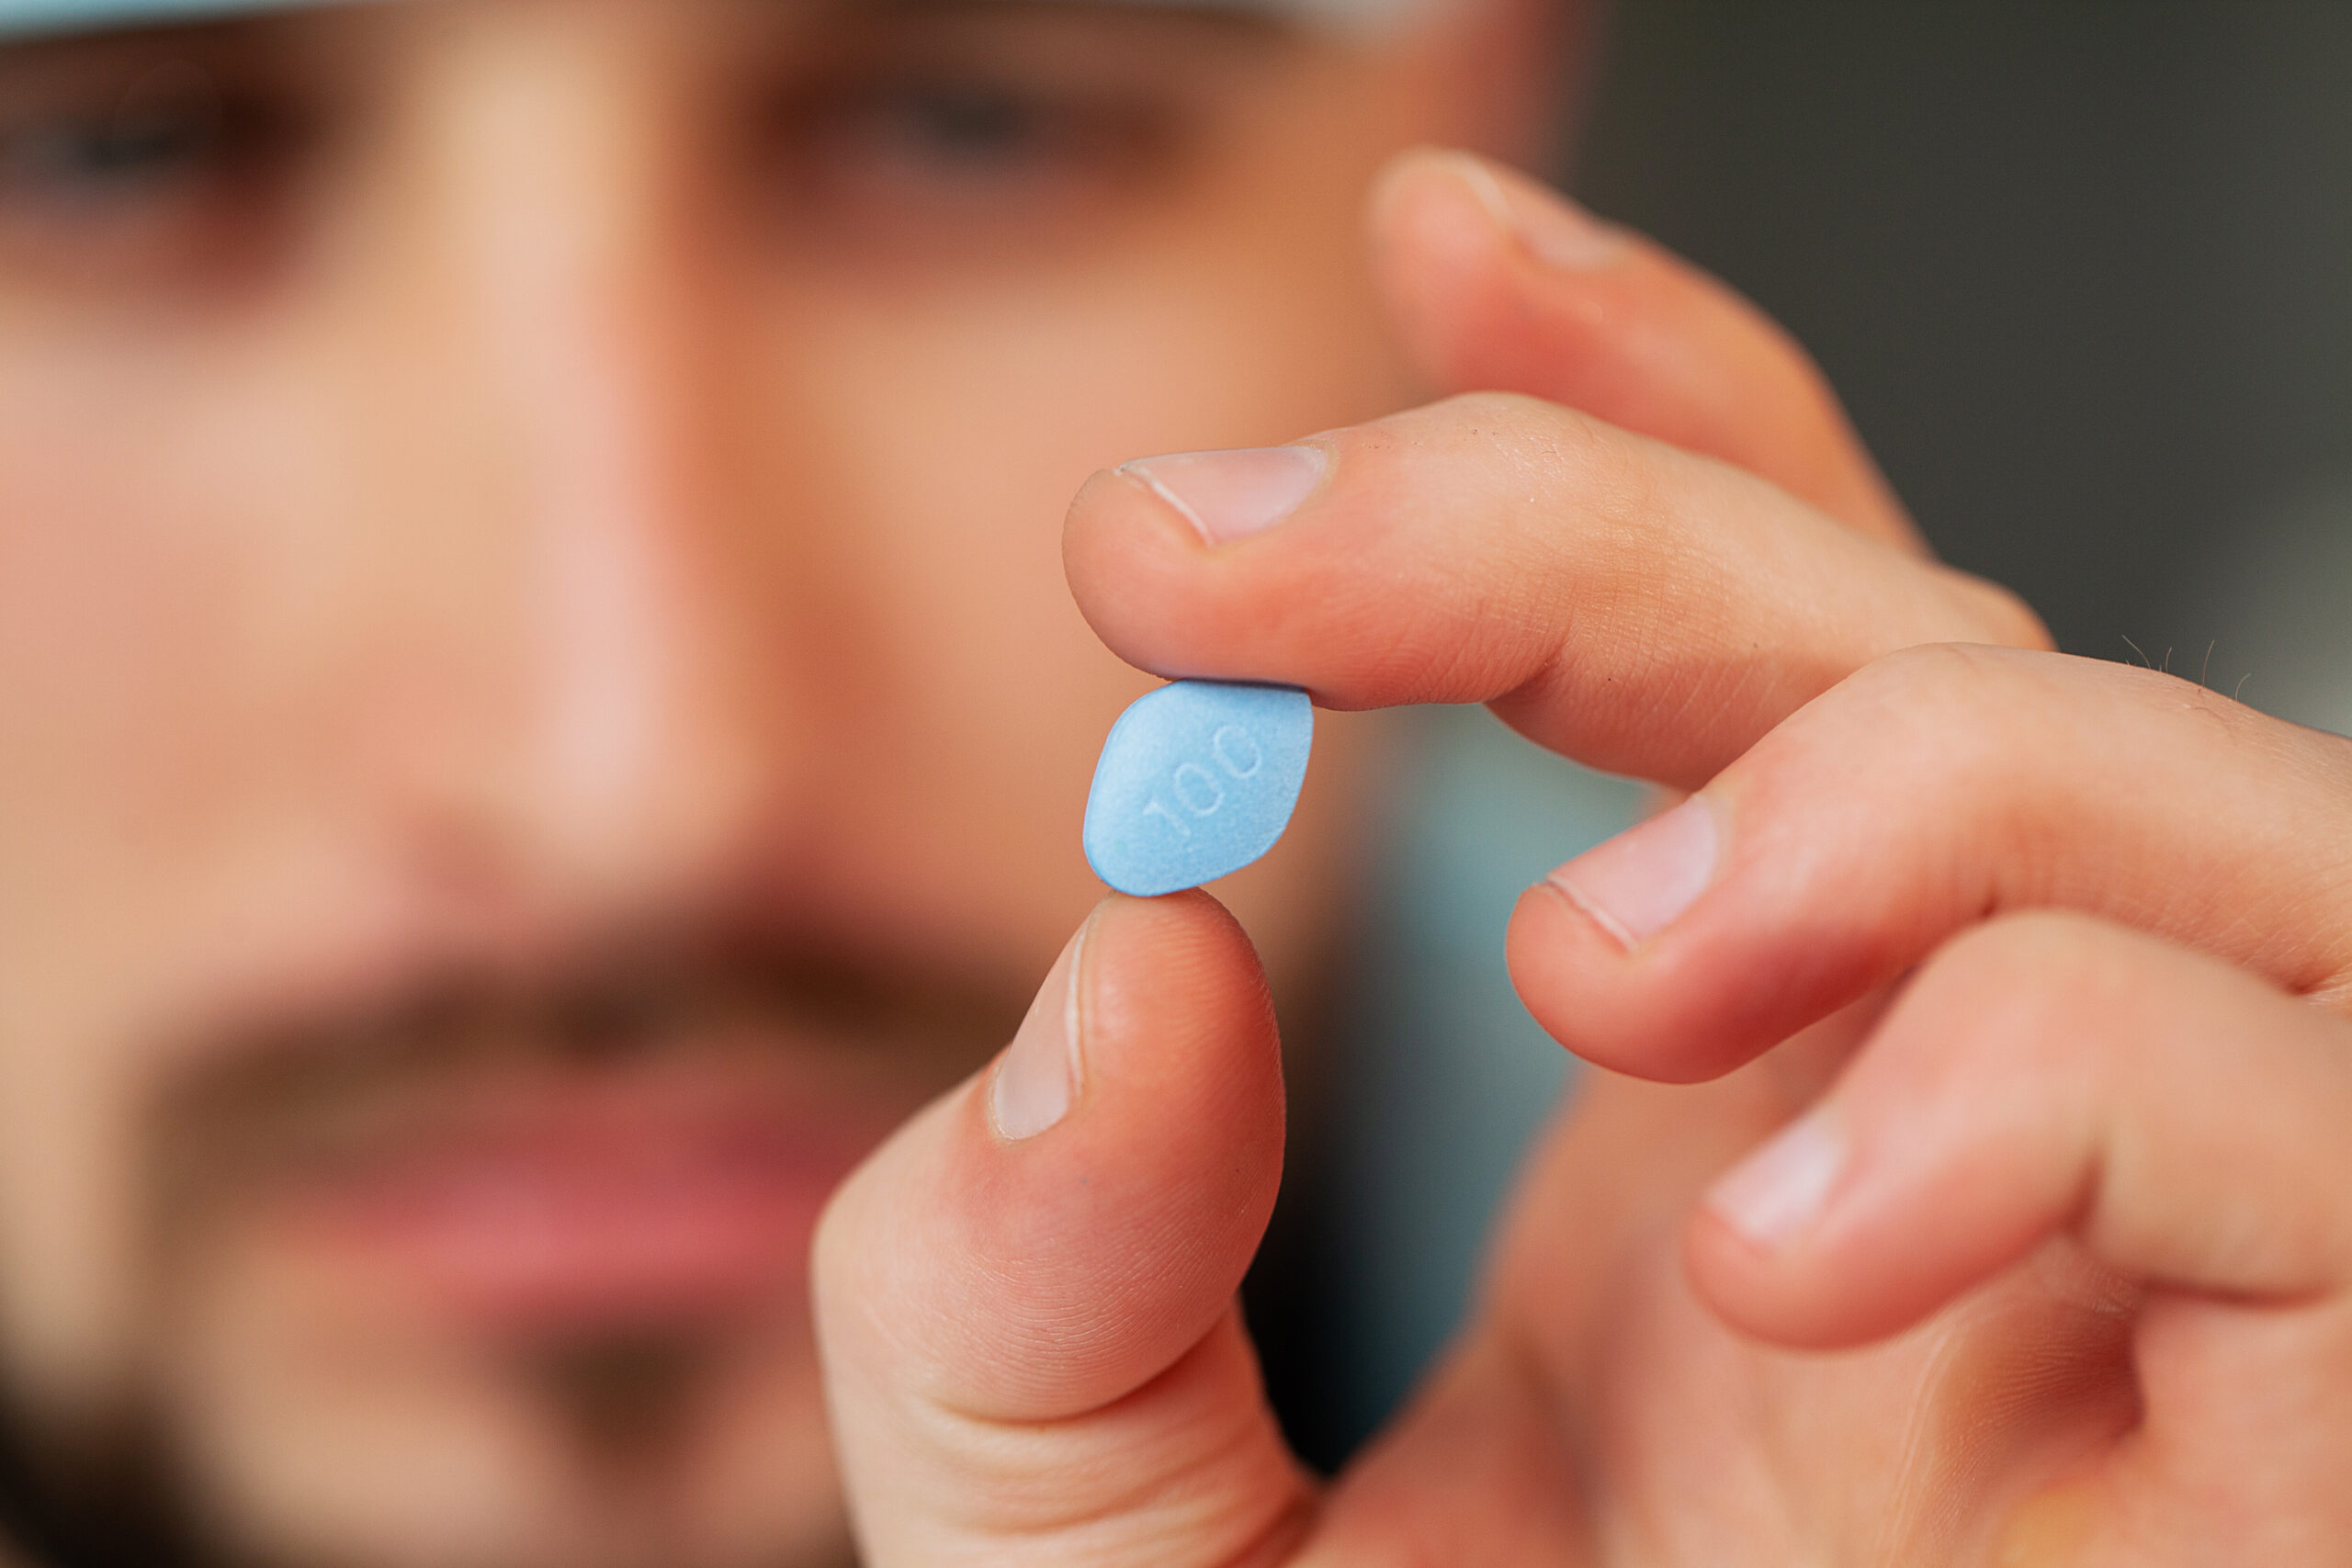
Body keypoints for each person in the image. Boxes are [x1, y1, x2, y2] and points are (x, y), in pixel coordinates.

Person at [1, 5, 2346, 1568]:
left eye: (974, 117)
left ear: (1478, 100)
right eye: (107, 153)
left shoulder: (2024, 1364)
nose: (635, 781)